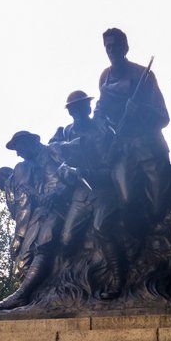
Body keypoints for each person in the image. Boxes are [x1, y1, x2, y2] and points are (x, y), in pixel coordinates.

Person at [0, 131, 76, 310]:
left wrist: (59, 193)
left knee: (43, 244)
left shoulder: (54, 150)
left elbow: (76, 170)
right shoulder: (28, 167)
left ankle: (21, 296)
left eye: (18, 148)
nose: (18, 153)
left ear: (29, 143)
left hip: (65, 205)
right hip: (42, 210)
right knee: (23, 254)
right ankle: (30, 294)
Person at [53, 90, 126, 299]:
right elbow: (59, 162)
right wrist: (67, 172)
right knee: (66, 239)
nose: (79, 112)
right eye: (74, 109)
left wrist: (90, 173)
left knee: (101, 227)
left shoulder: (103, 131)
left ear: (88, 108)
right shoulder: (66, 133)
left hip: (103, 191)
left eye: (82, 107)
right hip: (80, 193)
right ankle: (71, 285)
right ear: (71, 112)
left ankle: (117, 280)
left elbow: (111, 166)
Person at [94, 28, 171, 219]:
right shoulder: (105, 77)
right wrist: (100, 122)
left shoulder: (143, 74)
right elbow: (100, 109)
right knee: (126, 202)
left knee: (158, 205)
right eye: (107, 46)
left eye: (115, 46)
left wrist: (141, 110)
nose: (111, 50)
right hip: (121, 149)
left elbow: (163, 116)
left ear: (125, 48)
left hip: (149, 150)